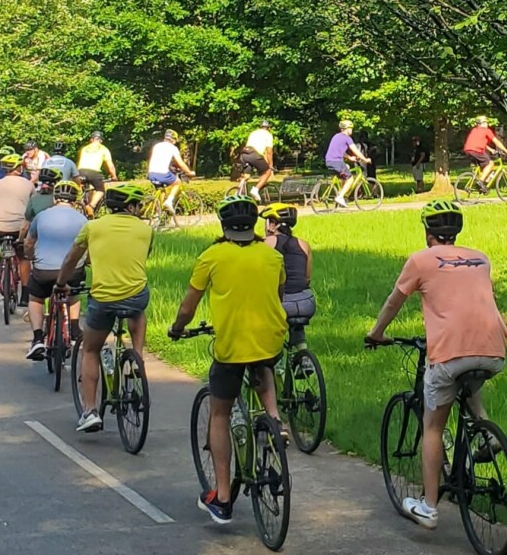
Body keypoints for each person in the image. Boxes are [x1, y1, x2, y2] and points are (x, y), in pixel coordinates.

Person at [365, 200, 507, 531]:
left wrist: (376, 334)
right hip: (493, 349)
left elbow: (393, 301)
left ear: (427, 231)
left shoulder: (420, 260)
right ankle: (487, 432)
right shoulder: (481, 258)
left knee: (433, 426)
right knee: (468, 386)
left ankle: (429, 507)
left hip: (450, 353)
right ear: (457, 230)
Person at [168, 195, 287, 525]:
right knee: (264, 363)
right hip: (270, 339)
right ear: (254, 226)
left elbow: (188, 307)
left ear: (223, 226)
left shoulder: (212, 256)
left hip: (232, 346)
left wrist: (178, 328)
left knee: (219, 413)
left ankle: (222, 499)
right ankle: (274, 422)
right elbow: (275, 296)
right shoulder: (272, 255)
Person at [57, 186, 154, 434]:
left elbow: (71, 259)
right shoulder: (146, 229)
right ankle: (138, 357)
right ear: (131, 207)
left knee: (90, 349)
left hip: (103, 299)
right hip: (135, 295)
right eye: (138, 205)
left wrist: (61, 283)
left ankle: (90, 411)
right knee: (137, 310)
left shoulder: (92, 227)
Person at [22, 180, 88, 360]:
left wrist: (30, 257)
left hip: (44, 271)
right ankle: (74, 327)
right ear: (75, 200)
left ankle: (37, 339)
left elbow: (29, 243)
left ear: (54, 198)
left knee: (35, 297)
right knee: (73, 292)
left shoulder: (41, 216)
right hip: (72, 271)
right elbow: (87, 247)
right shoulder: (83, 220)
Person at [261, 203, 316, 360]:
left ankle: (273, 362)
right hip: (306, 302)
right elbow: (307, 277)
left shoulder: (266, 243)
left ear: (272, 224)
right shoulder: (304, 245)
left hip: (281, 302)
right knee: (296, 324)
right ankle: (303, 356)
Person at [0, 154, 35, 296]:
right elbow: (34, 207)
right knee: (23, 257)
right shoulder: (28, 184)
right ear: (19, 168)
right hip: (19, 229)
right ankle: (25, 295)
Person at [147, 129, 196, 213]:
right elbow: (180, 163)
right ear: (173, 139)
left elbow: (163, 159)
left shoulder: (157, 146)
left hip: (151, 173)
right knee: (178, 182)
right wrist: (189, 172)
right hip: (162, 173)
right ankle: (169, 201)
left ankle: (158, 214)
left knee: (161, 190)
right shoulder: (173, 148)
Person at [324, 120, 371, 208]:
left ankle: (342, 194)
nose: (351, 130)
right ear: (347, 129)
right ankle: (340, 197)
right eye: (350, 128)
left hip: (329, 161)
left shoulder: (336, 136)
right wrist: (365, 159)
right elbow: (356, 150)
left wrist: (349, 158)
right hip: (336, 162)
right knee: (350, 179)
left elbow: (340, 151)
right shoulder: (347, 138)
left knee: (347, 167)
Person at [464, 116, 507, 192]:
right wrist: (506, 150)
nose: (487, 124)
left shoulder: (474, 130)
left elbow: (479, 142)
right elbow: (496, 142)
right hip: (477, 150)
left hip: (468, 150)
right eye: (485, 122)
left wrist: (491, 149)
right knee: (491, 163)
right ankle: (480, 182)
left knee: (485, 168)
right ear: (482, 124)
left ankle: (479, 186)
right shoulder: (486, 131)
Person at [76, 131, 117, 215]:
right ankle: (91, 206)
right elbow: (110, 165)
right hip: (94, 172)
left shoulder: (84, 148)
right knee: (100, 190)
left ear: (91, 139)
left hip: (80, 171)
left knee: (85, 189)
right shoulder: (103, 149)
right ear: (101, 140)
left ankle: (81, 205)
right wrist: (114, 176)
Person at [240, 120, 275, 202]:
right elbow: (269, 152)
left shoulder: (253, 133)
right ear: (269, 128)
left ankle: (238, 191)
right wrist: (270, 164)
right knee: (267, 172)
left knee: (246, 177)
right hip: (255, 155)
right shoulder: (268, 135)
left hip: (245, 154)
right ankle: (256, 189)